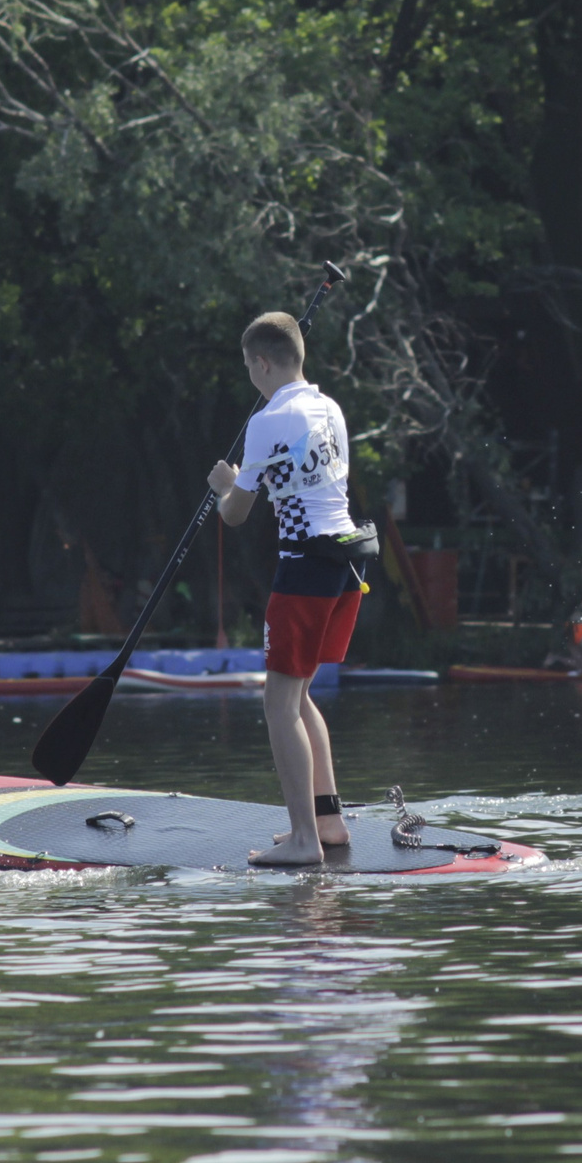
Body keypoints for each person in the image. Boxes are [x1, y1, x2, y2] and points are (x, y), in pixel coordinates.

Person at [208, 310, 366, 867]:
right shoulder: (331, 407)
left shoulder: (268, 421)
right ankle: (329, 824)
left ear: (262, 362)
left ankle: (304, 841)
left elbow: (235, 515)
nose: (249, 374)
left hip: (304, 568)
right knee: (299, 698)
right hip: (348, 564)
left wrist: (226, 484)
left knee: (277, 705)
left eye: (249, 366)